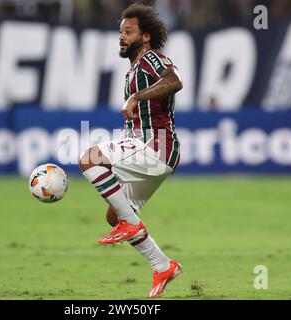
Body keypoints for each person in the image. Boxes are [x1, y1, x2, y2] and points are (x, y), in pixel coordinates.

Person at [79, 2, 183, 298]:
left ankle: (131, 224)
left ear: (146, 36)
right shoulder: (132, 71)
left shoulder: (152, 59)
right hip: (153, 150)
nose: (121, 37)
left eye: (128, 31)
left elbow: (175, 82)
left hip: (156, 145)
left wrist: (137, 96)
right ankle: (162, 266)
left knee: (89, 159)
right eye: (120, 32)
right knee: (115, 215)